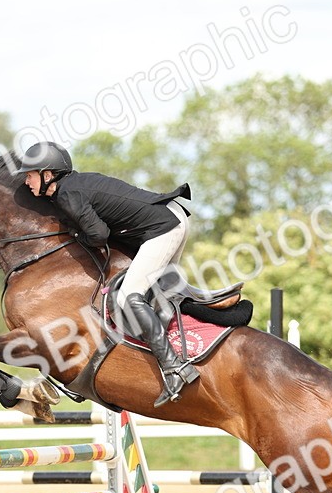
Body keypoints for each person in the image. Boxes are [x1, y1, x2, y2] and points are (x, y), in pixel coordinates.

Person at [15, 141, 198, 406]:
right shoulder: (74, 186)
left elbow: (99, 235)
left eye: (30, 175)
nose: (26, 181)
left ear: (47, 174)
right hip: (172, 217)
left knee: (128, 297)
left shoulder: (67, 194)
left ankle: (175, 369)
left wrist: (77, 234)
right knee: (156, 294)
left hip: (163, 228)